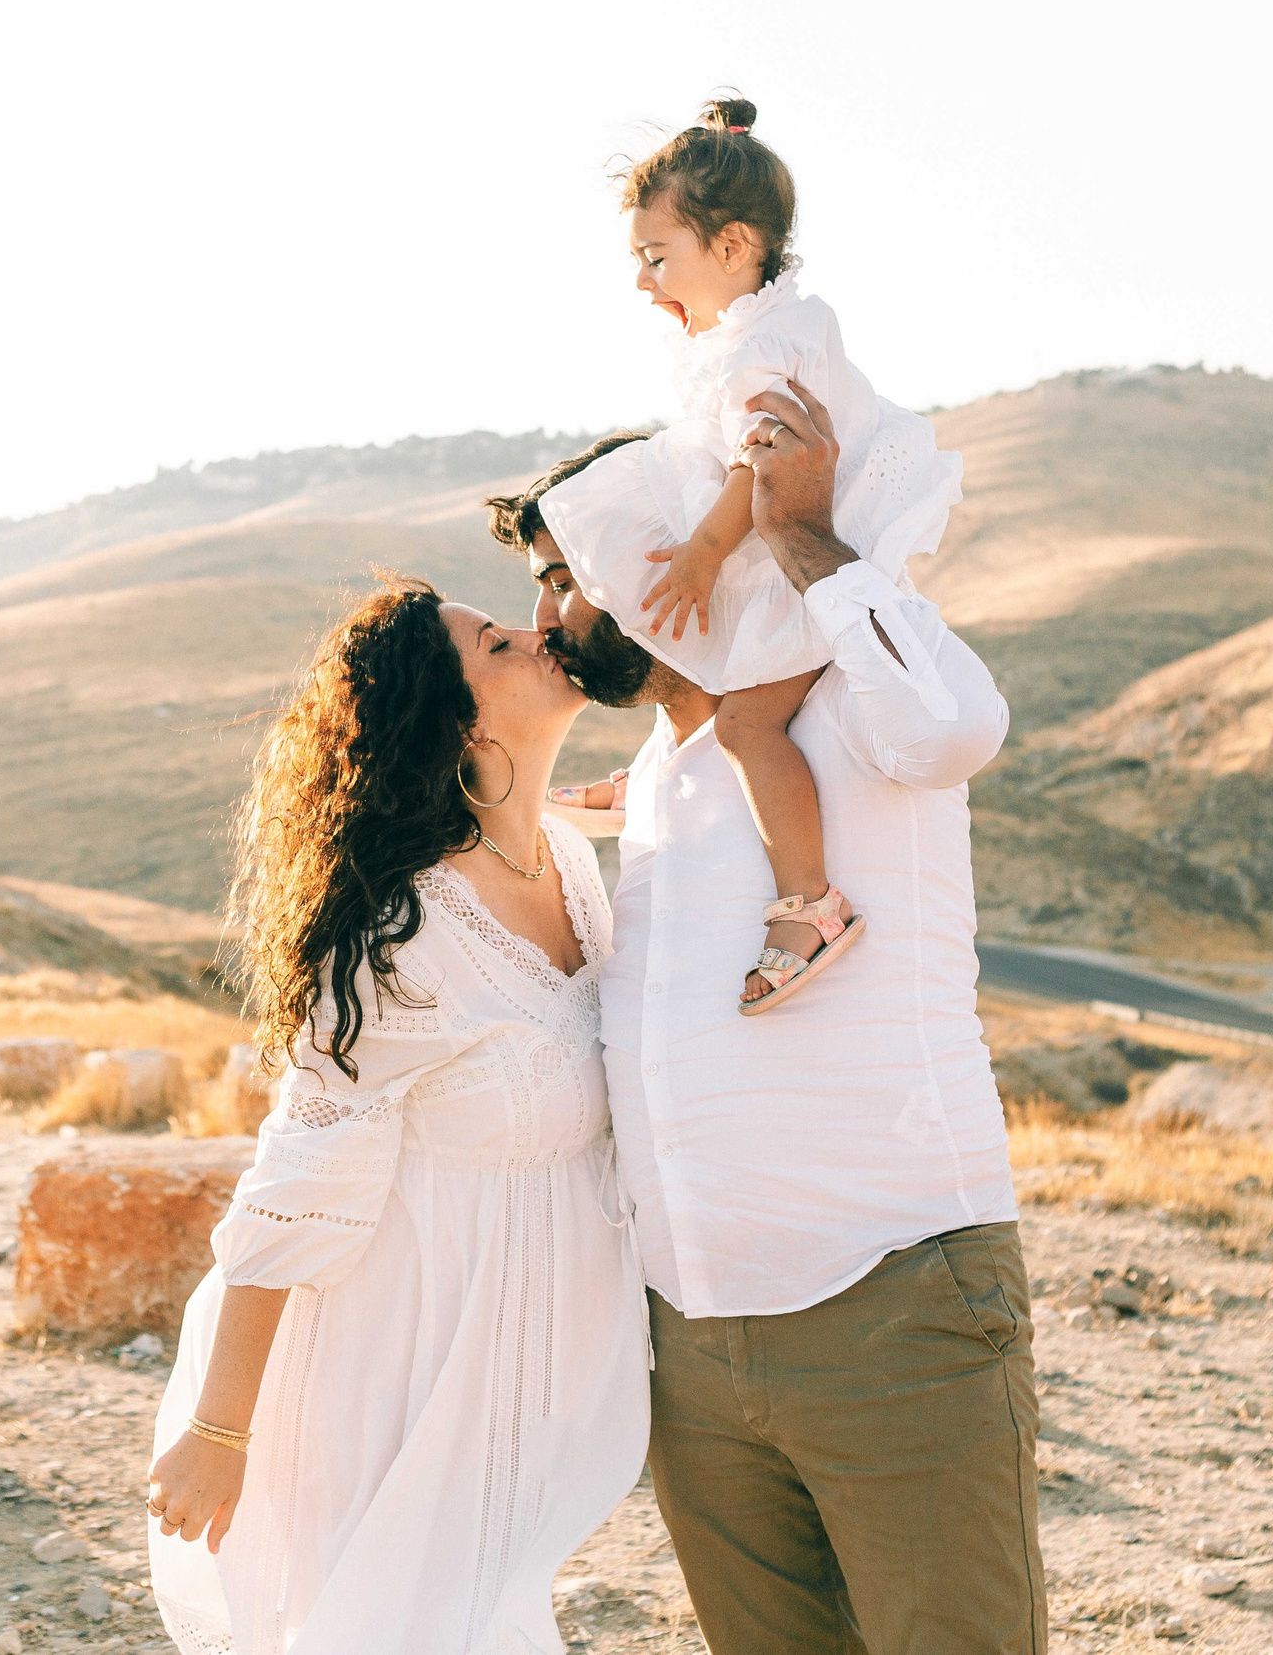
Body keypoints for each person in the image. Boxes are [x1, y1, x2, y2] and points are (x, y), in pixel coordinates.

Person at [488, 393, 1044, 1654]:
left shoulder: (843, 713)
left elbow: (961, 725)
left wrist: (796, 538)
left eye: (564, 578)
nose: (547, 621)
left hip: (890, 1303)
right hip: (689, 1344)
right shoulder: (660, 783)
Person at [140, 576, 649, 1654]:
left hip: (518, 1360)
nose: (544, 636)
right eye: (502, 642)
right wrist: (221, 1428)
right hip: (390, 1364)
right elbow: (300, 1176)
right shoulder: (399, 930)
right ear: (457, 718)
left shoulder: (567, 864)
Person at [535, 95, 964, 1014]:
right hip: (774, 546)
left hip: (791, 547)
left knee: (744, 721)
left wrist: (699, 552)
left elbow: (757, 465)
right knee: (687, 618)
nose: (647, 282)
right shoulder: (761, 329)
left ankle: (811, 903)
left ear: (732, 248)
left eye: (658, 258)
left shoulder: (761, 347)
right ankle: (655, 771)